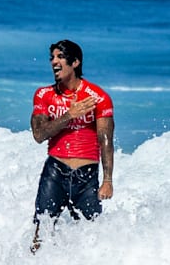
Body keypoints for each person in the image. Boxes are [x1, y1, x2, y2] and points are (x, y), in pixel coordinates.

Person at [29, 39, 114, 253]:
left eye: (59, 57)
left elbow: (106, 140)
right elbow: (39, 134)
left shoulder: (97, 97)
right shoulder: (44, 95)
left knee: (91, 236)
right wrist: (69, 115)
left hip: (86, 175)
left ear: (75, 62)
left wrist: (108, 180)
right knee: (42, 231)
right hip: (55, 172)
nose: (54, 62)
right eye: (52, 58)